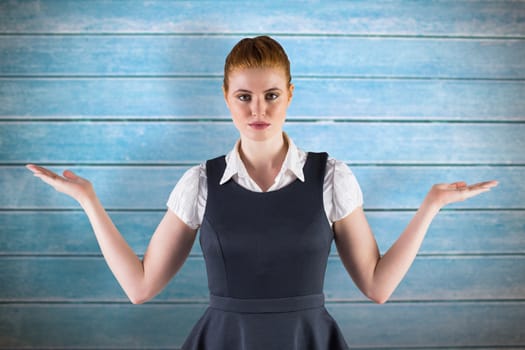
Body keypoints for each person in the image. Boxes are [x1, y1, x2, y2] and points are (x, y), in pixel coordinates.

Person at [26, 36, 498, 349]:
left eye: (271, 95)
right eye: (244, 96)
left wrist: (430, 206)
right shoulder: (199, 182)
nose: (258, 109)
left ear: (290, 94)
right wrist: (89, 199)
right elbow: (140, 286)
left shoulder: (331, 176)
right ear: (226, 97)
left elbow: (376, 287)